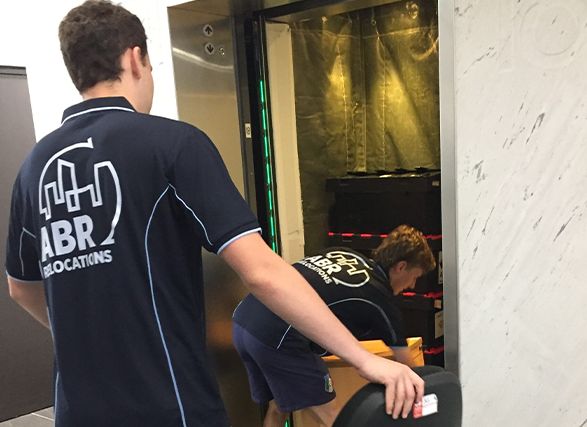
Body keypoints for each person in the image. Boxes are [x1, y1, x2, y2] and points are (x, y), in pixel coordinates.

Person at [4, 1, 424, 426]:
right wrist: (363, 359)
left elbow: (21, 289)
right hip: (168, 407)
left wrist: (87, 339)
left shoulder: (33, 168)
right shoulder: (172, 144)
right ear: (136, 59)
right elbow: (261, 271)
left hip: (77, 411)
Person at [232, 225, 436, 427]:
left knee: (279, 406)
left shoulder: (343, 254)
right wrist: (433, 403)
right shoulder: (379, 298)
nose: (412, 285)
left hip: (244, 321)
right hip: (278, 335)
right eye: (415, 277)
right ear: (400, 267)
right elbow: (410, 371)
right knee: (335, 418)